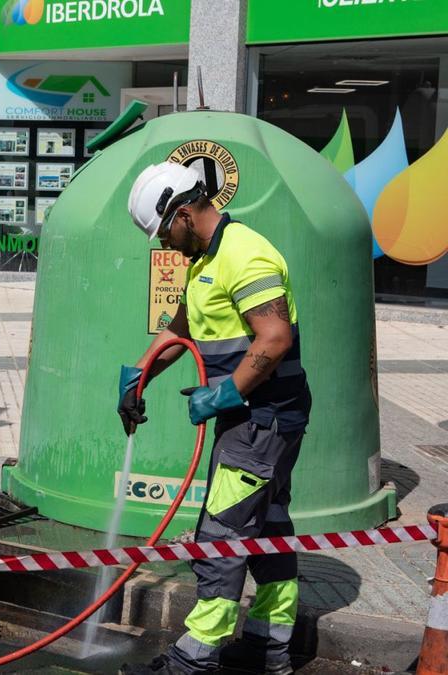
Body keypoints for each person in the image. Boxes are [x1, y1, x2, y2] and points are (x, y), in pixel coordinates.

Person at [118, 163, 311, 675]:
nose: (165, 246)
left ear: (182, 213)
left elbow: (273, 338)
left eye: (164, 233)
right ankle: (268, 646)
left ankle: (195, 657)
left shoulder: (246, 254)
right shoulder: (208, 259)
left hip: (260, 420)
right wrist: (138, 378)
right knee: (268, 528)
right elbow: (179, 330)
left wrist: (222, 395)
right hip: (258, 420)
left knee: (221, 536)